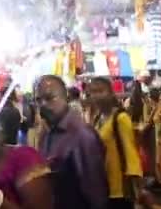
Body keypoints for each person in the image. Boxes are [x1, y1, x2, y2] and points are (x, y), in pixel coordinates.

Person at [37, 75, 109, 209]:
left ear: (66, 98)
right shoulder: (47, 133)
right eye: (38, 100)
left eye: (49, 98)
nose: (43, 105)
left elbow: (96, 191)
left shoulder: (82, 135)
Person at [96, 91, 143, 209]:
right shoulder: (98, 118)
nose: (95, 95)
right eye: (92, 91)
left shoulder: (120, 118)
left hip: (119, 186)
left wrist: (134, 182)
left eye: (99, 91)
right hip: (103, 182)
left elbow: (130, 150)